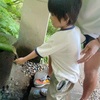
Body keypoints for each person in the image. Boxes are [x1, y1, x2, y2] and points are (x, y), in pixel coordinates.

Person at [15, 0, 83, 99]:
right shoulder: (76, 30)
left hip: (63, 78)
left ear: (66, 17)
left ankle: (52, 96)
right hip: (70, 74)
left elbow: (38, 51)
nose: (50, 17)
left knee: (55, 96)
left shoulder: (60, 37)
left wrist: (23, 59)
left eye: (53, 14)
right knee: (61, 92)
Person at [77, 0, 100, 99]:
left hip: (97, 33)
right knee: (60, 55)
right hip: (73, 21)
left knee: (91, 70)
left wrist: (98, 41)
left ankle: (84, 98)